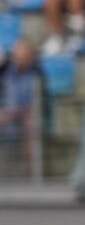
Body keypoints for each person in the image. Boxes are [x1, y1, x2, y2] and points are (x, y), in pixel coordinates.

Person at [0, 40, 42, 170]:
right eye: (16, 55)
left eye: (23, 55)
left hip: (25, 115)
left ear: (30, 56)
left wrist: (14, 113)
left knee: (30, 123)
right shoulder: (4, 71)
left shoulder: (36, 73)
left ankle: (31, 172)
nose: (18, 59)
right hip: (5, 114)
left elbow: (39, 101)